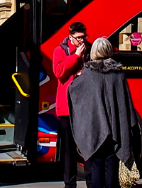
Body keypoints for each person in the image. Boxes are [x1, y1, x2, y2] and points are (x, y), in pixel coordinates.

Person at [68, 39, 142, 188]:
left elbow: (72, 90)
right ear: (109, 50)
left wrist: (77, 78)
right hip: (116, 128)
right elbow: (125, 103)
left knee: (96, 165)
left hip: (95, 128)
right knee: (111, 164)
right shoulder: (118, 74)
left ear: (94, 52)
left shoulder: (88, 74)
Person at [54, 22, 90, 188]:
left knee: (88, 147)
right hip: (67, 107)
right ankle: (70, 184)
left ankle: (91, 181)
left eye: (84, 37)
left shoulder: (89, 50)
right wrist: (75, 56)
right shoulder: (60, 50)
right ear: (70, 37)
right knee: (69, 149)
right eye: (78, 38)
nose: (82, 41)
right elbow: (59, 72)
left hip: (85, 106)